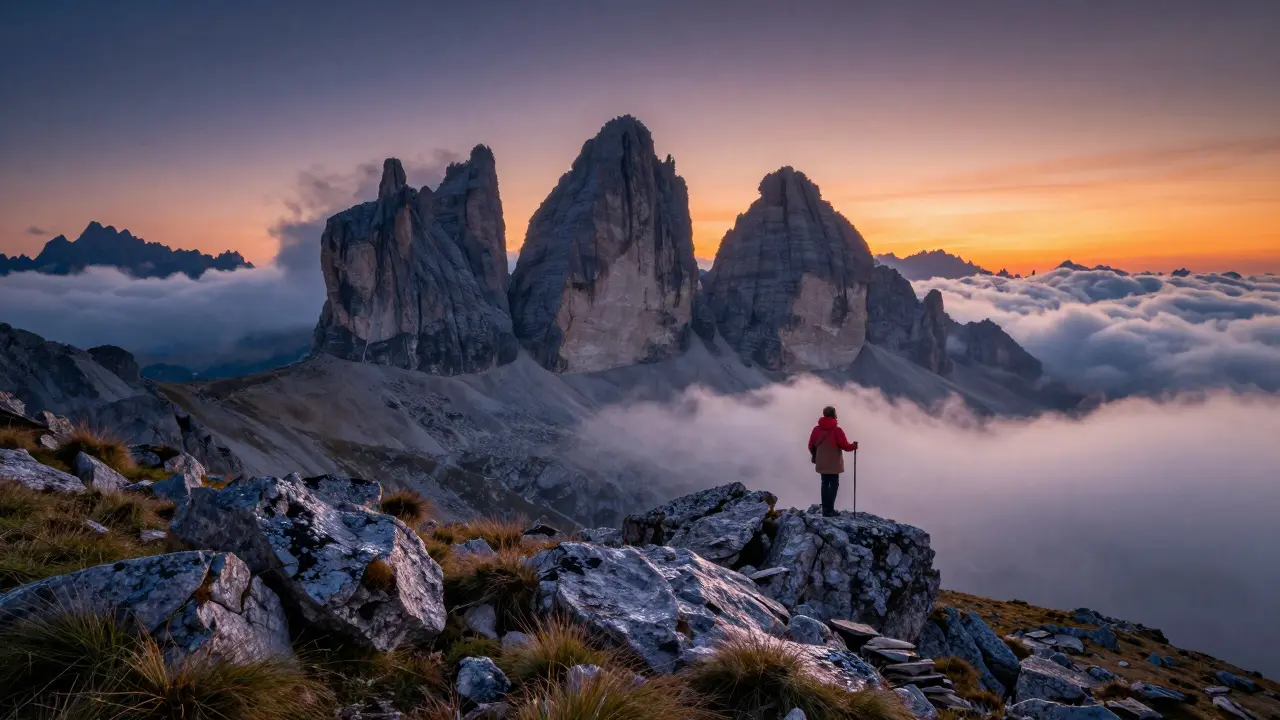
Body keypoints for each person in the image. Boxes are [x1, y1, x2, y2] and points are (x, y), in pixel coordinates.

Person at [808, 406, 858, 517]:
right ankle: (830, 509)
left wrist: (816, 455)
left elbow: (811, 445)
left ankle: (825, 508)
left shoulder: (816, 429)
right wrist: (854, 446)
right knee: (834, 484)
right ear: (834, 414)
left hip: (821, 461)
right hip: (834, 463)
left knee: (824, 483)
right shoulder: (837, 430)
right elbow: (845, 446)